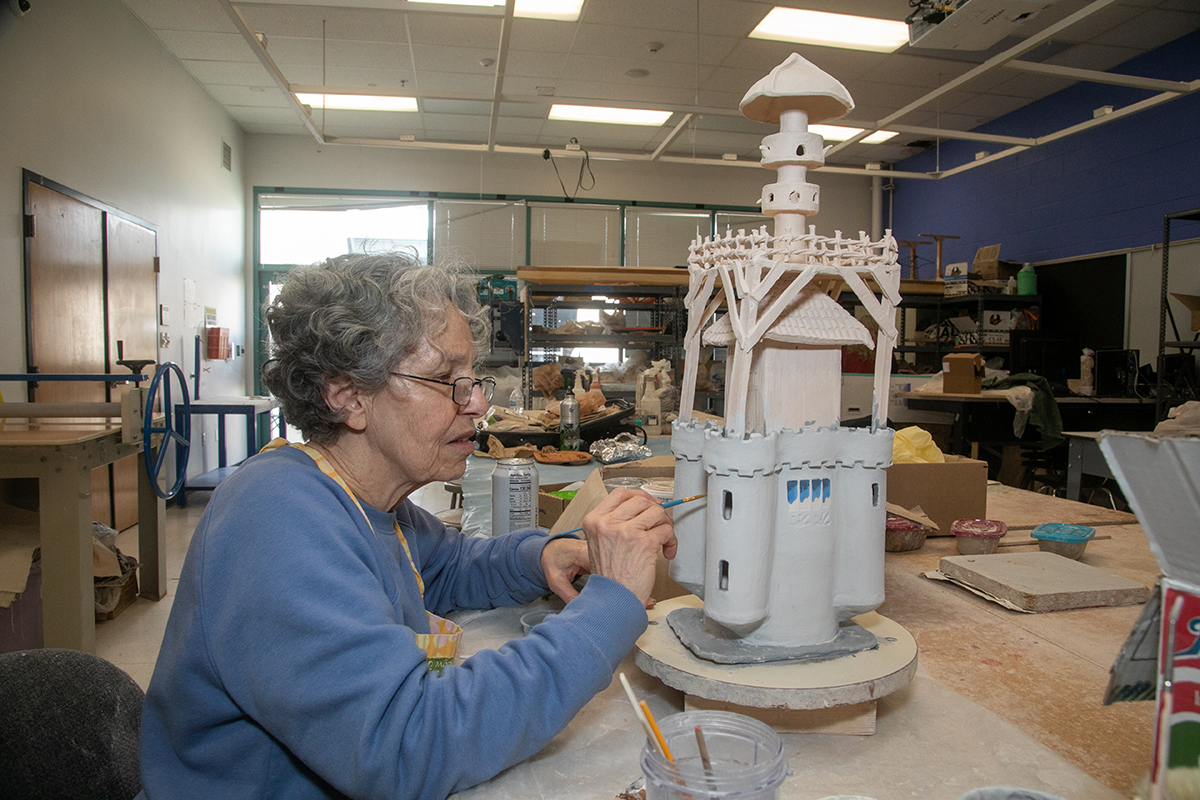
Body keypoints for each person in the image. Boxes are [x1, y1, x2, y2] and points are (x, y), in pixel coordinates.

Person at [138, 253, 677, 800]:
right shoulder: (275, 519)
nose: (480, 406)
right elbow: (407, 745)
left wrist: (542, 558)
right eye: (448, 380)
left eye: (474, 379)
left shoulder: (362, 499)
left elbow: (445, 564)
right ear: (349, 396)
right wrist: (608, 607)